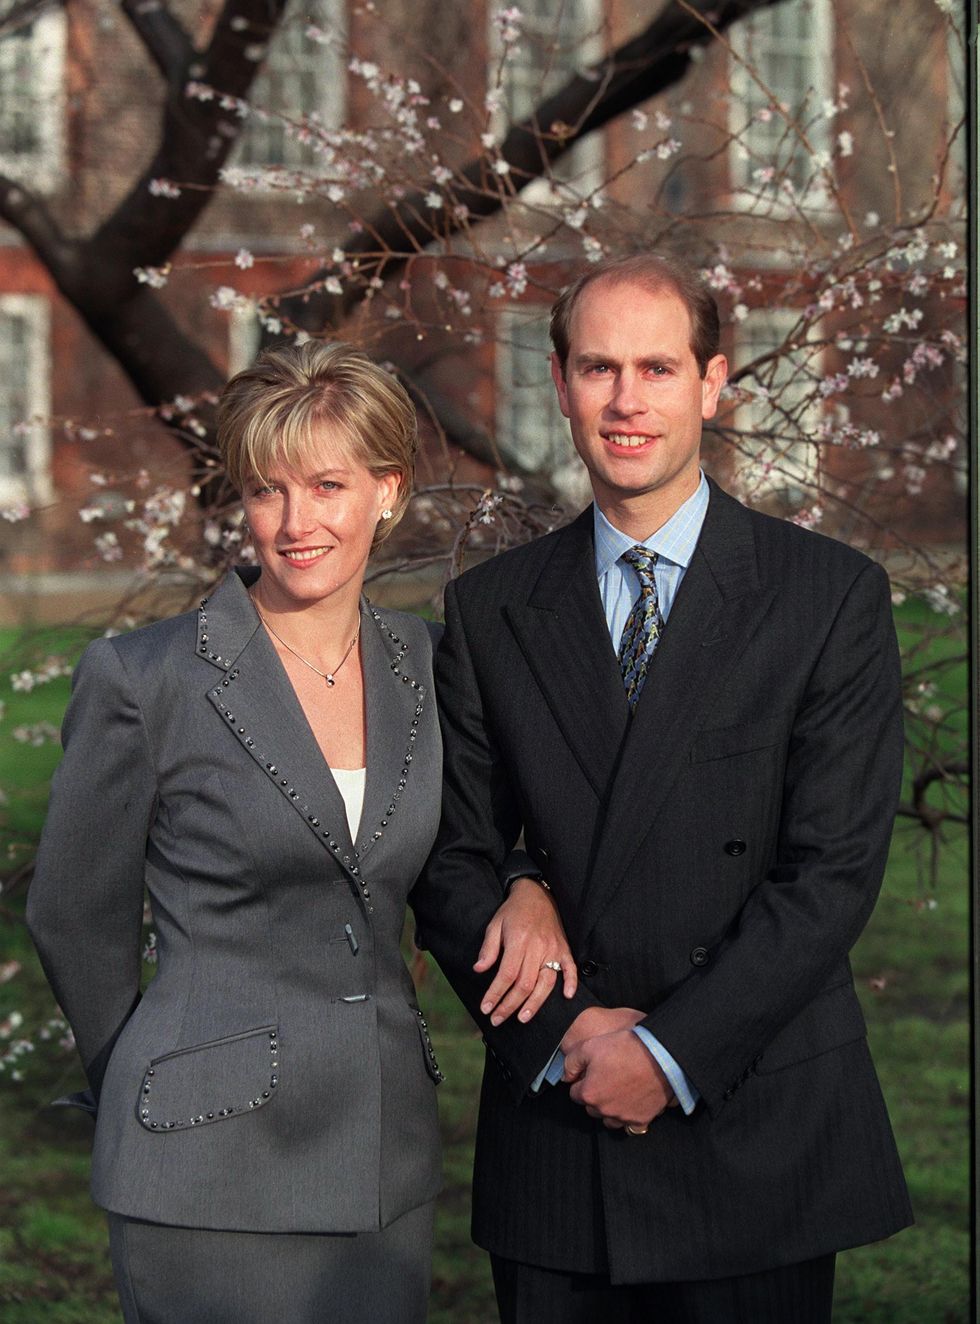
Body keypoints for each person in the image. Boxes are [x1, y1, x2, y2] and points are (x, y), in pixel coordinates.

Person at [26, 341, 574, 1324]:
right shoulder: (145, 678)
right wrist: (144, 1081)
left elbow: (493, 824)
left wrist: (527, 880)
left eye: (327, 484)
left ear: (388, 491)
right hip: (198, 1163)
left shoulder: (427, 662)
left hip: (379, 1155)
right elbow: (71, 912)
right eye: (267, 490)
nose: (295, 521)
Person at [413, 254, 913, 1323]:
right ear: (557, 384)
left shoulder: (826, 598)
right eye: (598, 367)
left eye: (655, 366)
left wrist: (666, 1053)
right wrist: (570, 1028)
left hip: (752, 1120)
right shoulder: (490, 608)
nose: (625, 400)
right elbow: (448, 854)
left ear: (712, 380)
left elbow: (827, 874)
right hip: (559, 1126)